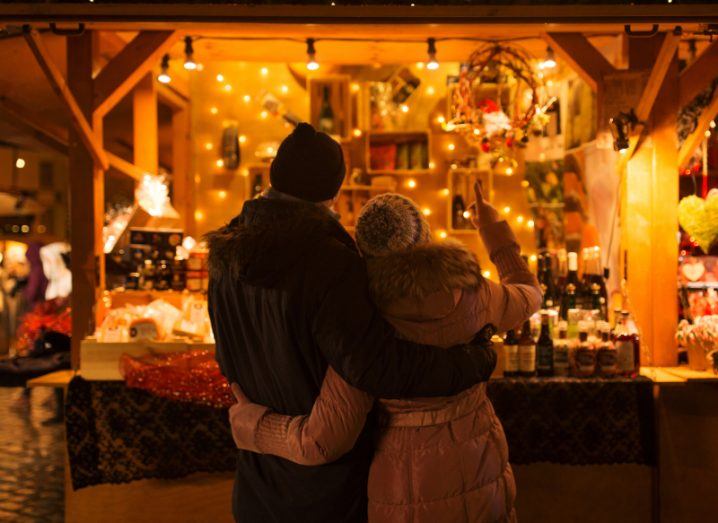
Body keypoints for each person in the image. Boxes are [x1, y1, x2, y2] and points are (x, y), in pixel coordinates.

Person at [206, 123, 499, 522]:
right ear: (334, 191)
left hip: (258, 484)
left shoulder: (224, 254)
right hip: (327, 492)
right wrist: (474, 362)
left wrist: (261, 427)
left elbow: (227, 362)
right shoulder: (329, 261)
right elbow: (375, 366)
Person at [228, 182, 542, 522]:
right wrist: (492, 231)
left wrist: (254, 427)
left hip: (403, 491)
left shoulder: (362, 324)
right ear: (423, 235)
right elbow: (528, 295)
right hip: (482, 470)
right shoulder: (474, 293)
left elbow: (322, 441)